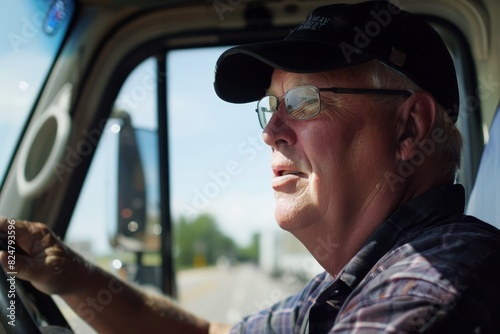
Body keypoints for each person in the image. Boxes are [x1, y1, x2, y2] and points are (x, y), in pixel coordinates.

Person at [2, 1, 500, 333]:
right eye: (272, 106)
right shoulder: (351, 283)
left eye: (305, 101)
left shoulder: (424, 291)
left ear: (411, 129)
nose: (270, 131)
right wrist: (68, 275)